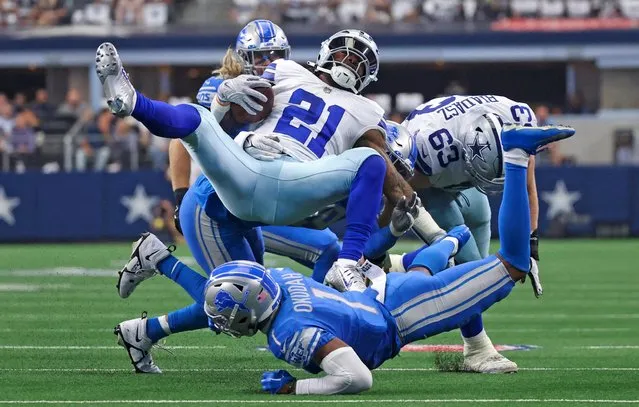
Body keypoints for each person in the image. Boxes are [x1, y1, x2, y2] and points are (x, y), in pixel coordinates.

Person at [115, 121, 574, 388]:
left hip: (400, 311)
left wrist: (297, 386)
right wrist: (411, 238)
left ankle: (512, 157)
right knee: (388, 258)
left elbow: (356, 378)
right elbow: (343, 274)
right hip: (387, 293)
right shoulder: (284, 282)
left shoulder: (287, 333)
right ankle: (157, 282)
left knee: (511, 262)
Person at [170, 20, 343, 285]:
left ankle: (315, 309)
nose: (269, 61)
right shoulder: (222, 88)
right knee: (246, 292)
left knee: (328, 248)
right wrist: (180, 197)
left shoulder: (290, 89)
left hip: (264, 197)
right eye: (261, 56)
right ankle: (162, 263)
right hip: (222, 202)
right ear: (244, 58)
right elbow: (181, 139)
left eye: (276, 55)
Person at [397, 95, 543, 372]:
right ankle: (477, 349)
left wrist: (531, 243)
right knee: (472, 269)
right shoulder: (430, 147)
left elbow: (526, 186)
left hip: (461, 174)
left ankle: (396, 265)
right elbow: (398, 188)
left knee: (480, 268)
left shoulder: (519, 118)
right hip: (428, 180)